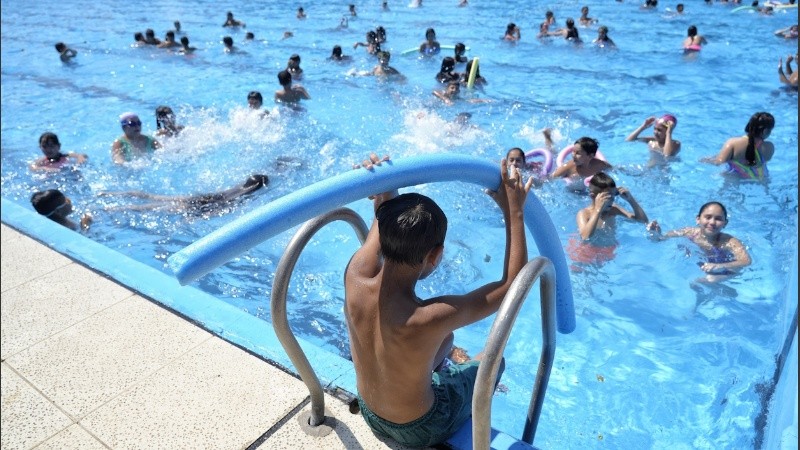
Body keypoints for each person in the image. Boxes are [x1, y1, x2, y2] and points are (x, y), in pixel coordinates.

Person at [344, 153, 532, 449]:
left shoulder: (355, 275)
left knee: (445, 342)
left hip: (371, 413)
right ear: (435, 255)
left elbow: (382, 223)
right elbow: (511, 286)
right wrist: (515, 212)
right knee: (493, 361)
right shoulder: (429, 317)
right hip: (422, 429)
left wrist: (384, 189)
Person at [647, 202, 751, 283]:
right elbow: (661, 239)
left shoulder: (730, 241)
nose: (712, 222)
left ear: (725, 223)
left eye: (718, 219)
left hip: (724, 269)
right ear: (698, 219)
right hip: (702, 263)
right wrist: (655, 233)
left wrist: (720, 266)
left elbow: (746, 261)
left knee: (703, 281)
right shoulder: (688, 232)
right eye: (708, 217)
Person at [569, 172, 648, 265]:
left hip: (608, 251)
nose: (612, 200)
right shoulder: (584, 214)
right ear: (593, 196)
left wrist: (631, 199)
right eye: (607, 197)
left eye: (614, 195)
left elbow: (642, 221)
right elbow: (585, 237)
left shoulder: (613, 210)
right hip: (586, 252)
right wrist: (598, 210)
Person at [99, 175, 269, 214]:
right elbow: (220, 209)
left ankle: (115, 195)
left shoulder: (238, 187)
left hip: (206, 197)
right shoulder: (242, 197)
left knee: (155, 198)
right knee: (156, 207)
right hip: (207, 205)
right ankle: (115, 208)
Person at [701, 112, 775, 180]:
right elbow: (752, 157)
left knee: (722, 174)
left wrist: (706, 160)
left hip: (736, 180)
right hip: (760, 180)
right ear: (765, 131)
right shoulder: (770, 147)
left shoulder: (732, 143)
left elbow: (718, 162)